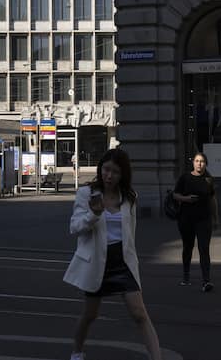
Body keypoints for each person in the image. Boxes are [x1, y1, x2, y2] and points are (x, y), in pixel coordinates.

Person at [63, 148, 162, 360]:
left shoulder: (129, 197)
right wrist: (93, 214)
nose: (109, 175)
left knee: (139, 314)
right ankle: (77, 352)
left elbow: (130, 235)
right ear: (100, 169)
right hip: (97, 262)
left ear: (122, 175)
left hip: (122, 261)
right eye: (106, 169)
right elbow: (75, 228)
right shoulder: (86, 194)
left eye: (115, 172)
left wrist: (133, 263)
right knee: (90, 315)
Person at [172, 152, 219, 292]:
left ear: (206, 163)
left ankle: (206, 281)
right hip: (186, 219)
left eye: (202, 161)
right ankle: (186, 276)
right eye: (197, 161)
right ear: (193, 163)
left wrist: (216, 218)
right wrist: (186, 199)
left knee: (204, 249)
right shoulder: (185, 178)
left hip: (204, 219)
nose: (199, 164)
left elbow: (213, 199)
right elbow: (175, 194)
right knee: (188, 247)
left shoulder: (209, 179)